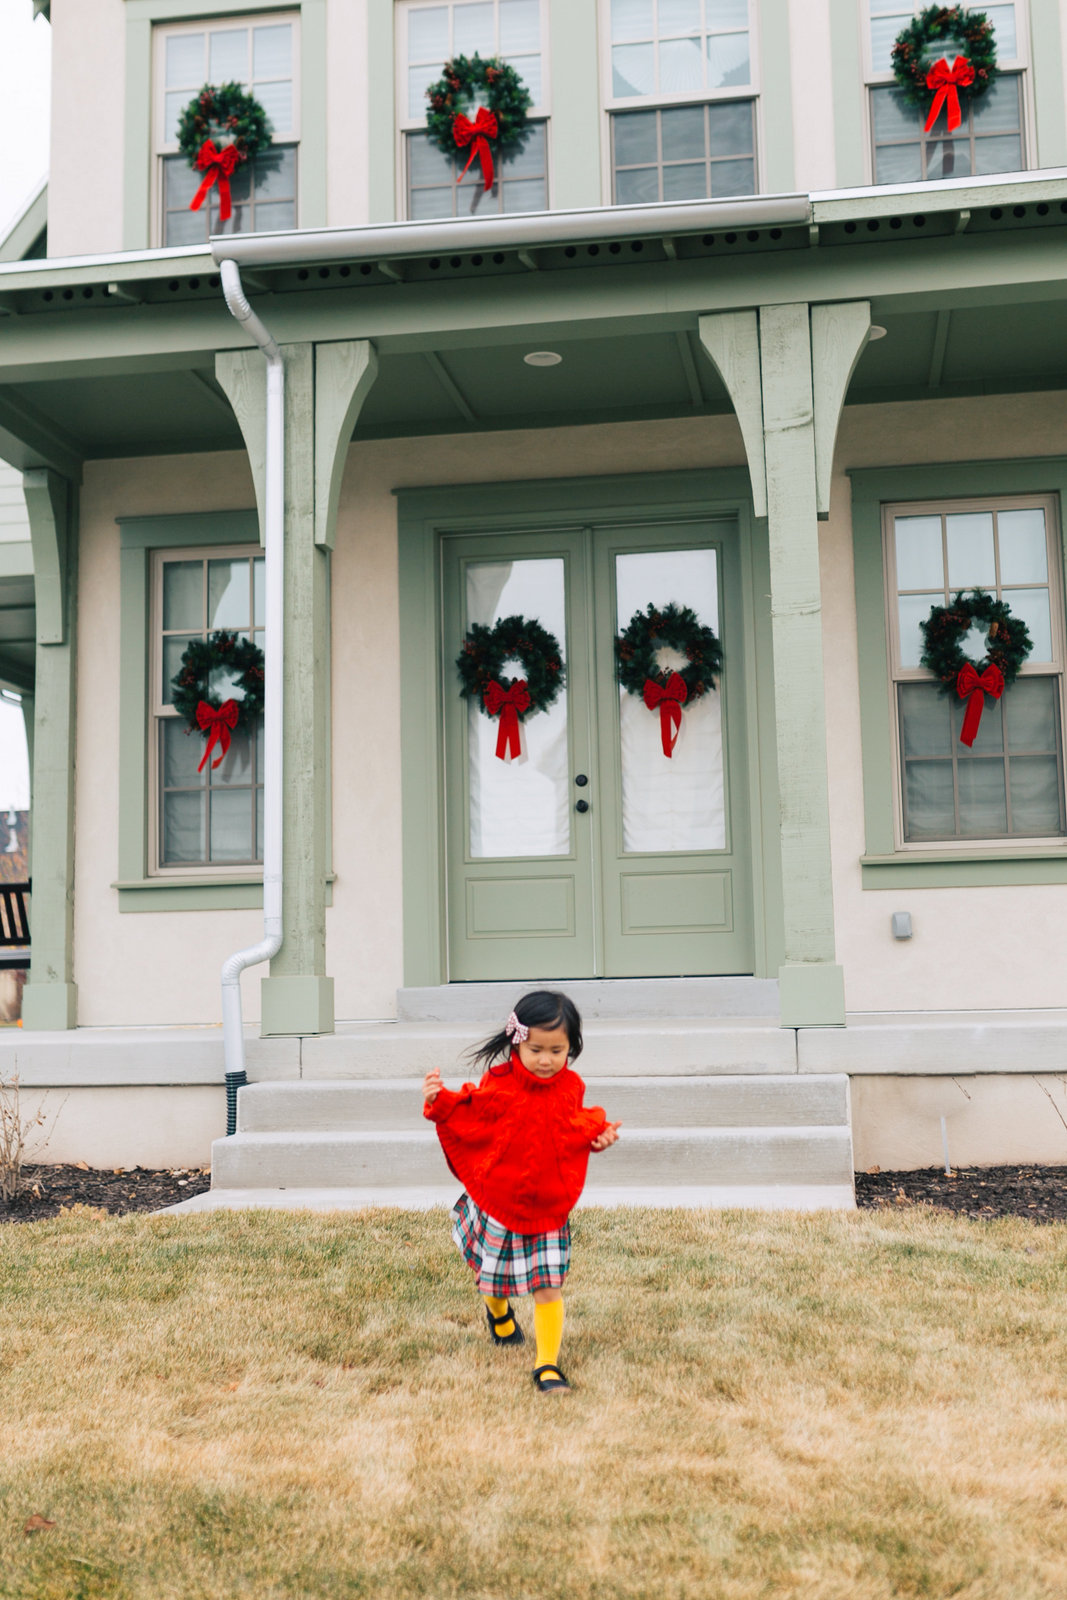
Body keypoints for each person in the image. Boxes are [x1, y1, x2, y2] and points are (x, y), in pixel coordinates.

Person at [422, 989, 621, 1394]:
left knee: (548, 1286)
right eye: (536, 1049)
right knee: (490, 1279)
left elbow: (574, 1125)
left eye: (557, 1050)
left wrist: (596, 1136)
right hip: (499, 1198)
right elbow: (473, 1110)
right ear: (518, 1042)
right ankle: (497, 1314)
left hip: (547, 1207)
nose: (546, 1060)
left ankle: (547, 1365)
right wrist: (439, 1102)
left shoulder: (571, 1087)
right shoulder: (500, 1082)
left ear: (572, 1049)